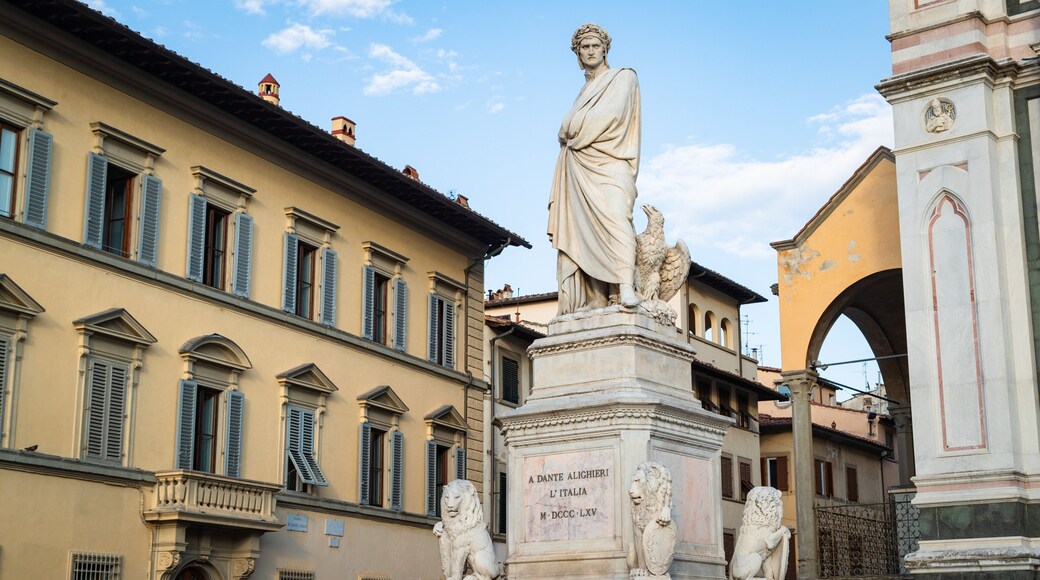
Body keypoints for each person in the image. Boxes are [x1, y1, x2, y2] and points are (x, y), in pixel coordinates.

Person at [548, 23, 641, 315]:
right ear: (578, 54)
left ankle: (625, 285)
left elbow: (610, 115)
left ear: (604, 50)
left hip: (611, 162)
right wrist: (569, 130)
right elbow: (569, 127)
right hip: (578, 168)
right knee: (581, 230)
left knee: (616, 219)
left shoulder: (623, 78)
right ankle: (597, 297)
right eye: (584, 47)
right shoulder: (583, 91)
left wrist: (569, 129)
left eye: (594, 46)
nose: (590, 51)